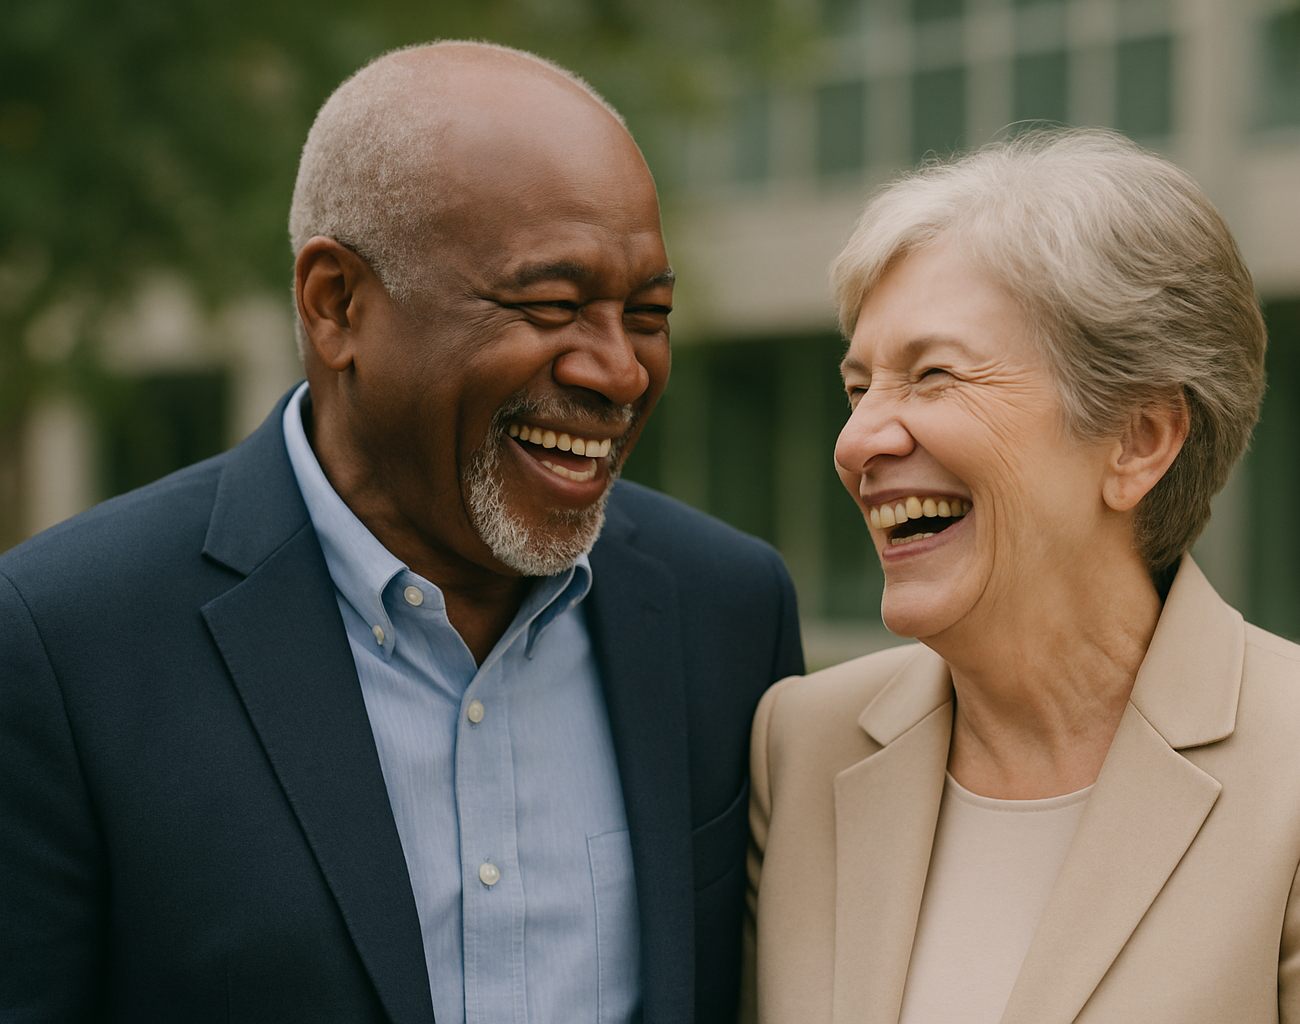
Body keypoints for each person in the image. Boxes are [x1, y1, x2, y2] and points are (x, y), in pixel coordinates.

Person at [0, 42, 802, 1024]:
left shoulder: (729, 612)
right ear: (337, 304)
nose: (621, 372)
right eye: (551, 305)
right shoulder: (60, 642)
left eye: (648, 313)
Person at [743, 129, 1300, 1024]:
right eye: (859, 388)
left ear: (1139, 440)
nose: (858, 442)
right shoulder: (800, 744)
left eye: (933, 376)